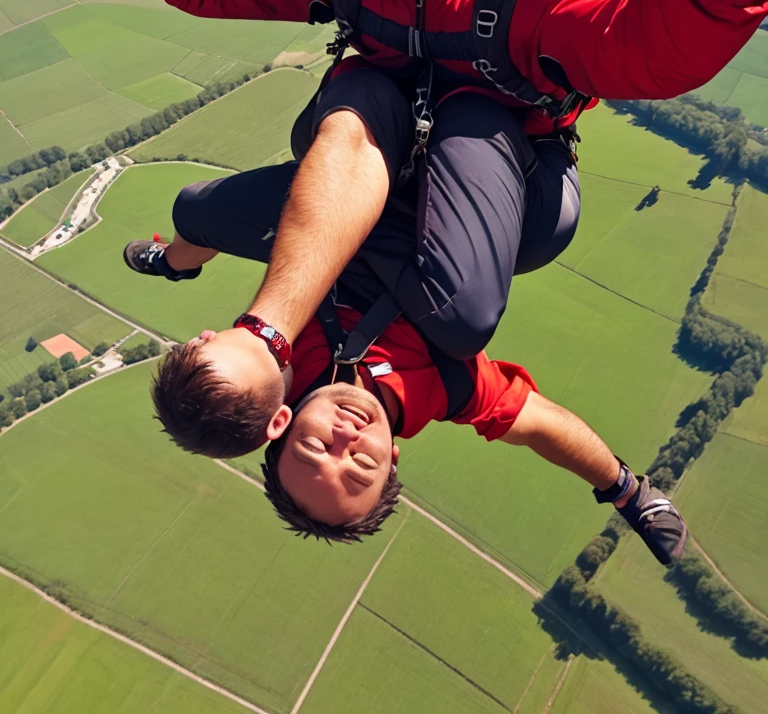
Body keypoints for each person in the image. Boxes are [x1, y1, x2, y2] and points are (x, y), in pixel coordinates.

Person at [119, 0, 768, 391]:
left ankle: (333, 242)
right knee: (209, 199)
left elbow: (638, 47)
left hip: (504, 175)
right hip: (377, 154)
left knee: (461, 298)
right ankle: (186, 258)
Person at [125, 161, 687, 565]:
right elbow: (540, 425)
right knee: (548, 227)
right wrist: (628, 493)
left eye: (318, 447)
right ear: (391, 455)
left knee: (196, 209)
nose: (345, 438)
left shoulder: (278, 373)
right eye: (361, 466)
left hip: (347, 198)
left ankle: (176, 262)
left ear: (283, 422)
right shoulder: (442, 388)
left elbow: (220, 380)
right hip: (439, 219)